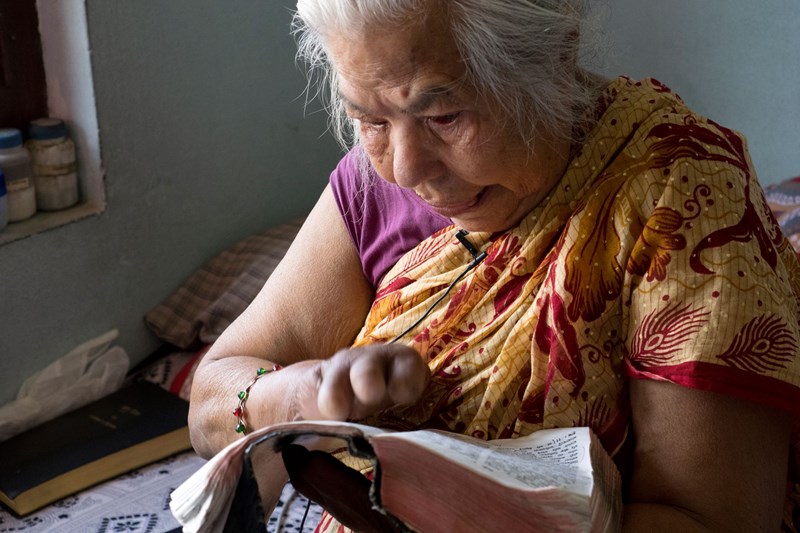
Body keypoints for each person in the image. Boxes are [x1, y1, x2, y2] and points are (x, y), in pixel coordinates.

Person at [188, 0, 800, 531]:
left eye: (444, 117)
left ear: (556, 58)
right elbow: (211, 397)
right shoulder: (369, 187)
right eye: (369, 120)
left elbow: (711, 520)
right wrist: (304, 393)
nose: (405, 171)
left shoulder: (678, 192)